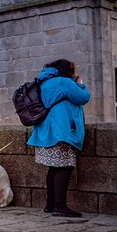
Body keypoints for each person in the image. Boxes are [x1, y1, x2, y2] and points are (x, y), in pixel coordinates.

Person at [27, 59, 90, 217]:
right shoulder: (63, 82)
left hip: (46, 131)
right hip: (61, 131)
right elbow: (83, 97)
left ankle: (51, 204)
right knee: (64, 167)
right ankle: (60, 206)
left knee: (54, 168)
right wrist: (80, 83)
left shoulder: (43, 82)